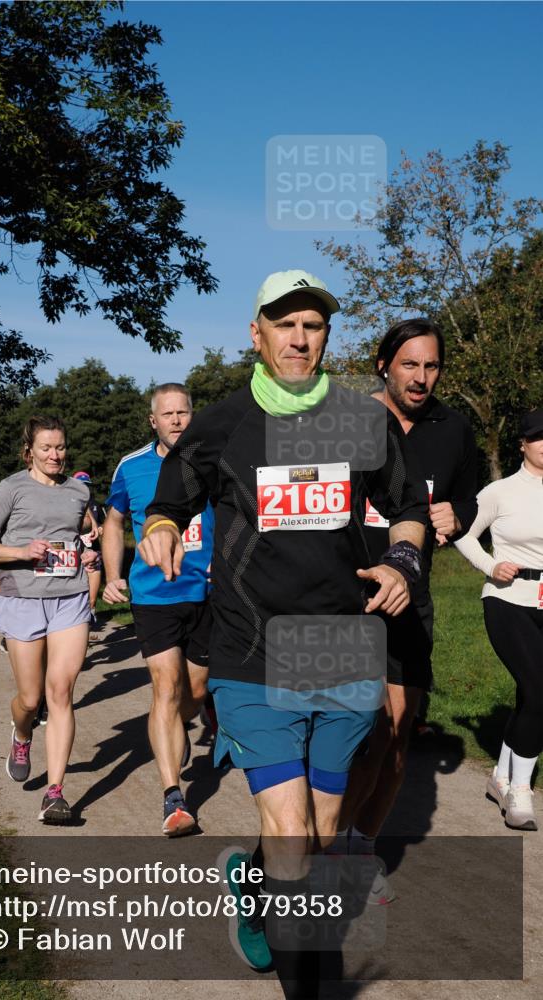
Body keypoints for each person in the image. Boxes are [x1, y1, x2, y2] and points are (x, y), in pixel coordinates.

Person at [138, 270, 427, 978]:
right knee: (296, 838)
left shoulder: (365, 418)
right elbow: (167, 502)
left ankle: (250, 880)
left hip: (339, 650)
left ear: (327, 336)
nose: (300, 337)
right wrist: (162, 529)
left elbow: (409, 509)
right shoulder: (221, 424)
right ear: (257, 332)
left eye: (314, 325)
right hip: (249, 651)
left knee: (321, 833)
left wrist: (399, 562)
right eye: (286, 323)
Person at [338, 318, 478, 893]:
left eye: (432, 366)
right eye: (410, 365)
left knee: (394, 737)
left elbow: (467, 496)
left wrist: (457, 515)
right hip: (343, 599)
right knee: (342, 735)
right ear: (383, 364)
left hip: (410, 602)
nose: (422, 378)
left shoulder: (453, 429)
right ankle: (308, 844)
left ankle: (358, 849)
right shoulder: (345, 423)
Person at [0, 415, 99, 824]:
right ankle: (22, 735)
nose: (54, 455)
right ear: (30, 450)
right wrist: (23, 552)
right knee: (30, 700)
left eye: (60, 447)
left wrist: (85, 553)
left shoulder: (78, 492)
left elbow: (76, 536)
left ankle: (55, 793)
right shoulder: (12, 488)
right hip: (24, 600)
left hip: (70, 598)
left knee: (60, 691)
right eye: (46, 448)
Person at [102, 384, 214, 837]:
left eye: (183, 412)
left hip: (208, 592)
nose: (176, 421)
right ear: (154, 421)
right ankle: (173, 797)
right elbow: (112, 520)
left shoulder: (213, 460)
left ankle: (183, 722)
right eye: (167, 414)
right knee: (165, 689)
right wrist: (113, 574)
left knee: (196, 691)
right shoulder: (131, 467)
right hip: (154, 596)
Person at [454, 408, 543, 831]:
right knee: (539, 691)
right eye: (539, 437)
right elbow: (463, 534)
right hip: (507, 601)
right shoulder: (499, 492)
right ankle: (520, 794)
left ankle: (501, 777)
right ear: (522, 444)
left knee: (531, 694)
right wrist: (491, 566)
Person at [72, 471, 105, 633]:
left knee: (91, 598)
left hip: (94, 551)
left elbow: (106, 526)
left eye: (87, 486)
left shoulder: (96, 505)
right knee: (75, 596)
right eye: (81, 485)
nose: (84, 489)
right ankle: (78, 630)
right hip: (74, 555)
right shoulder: (67, 504)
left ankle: (87, 626)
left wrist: (100, 528)